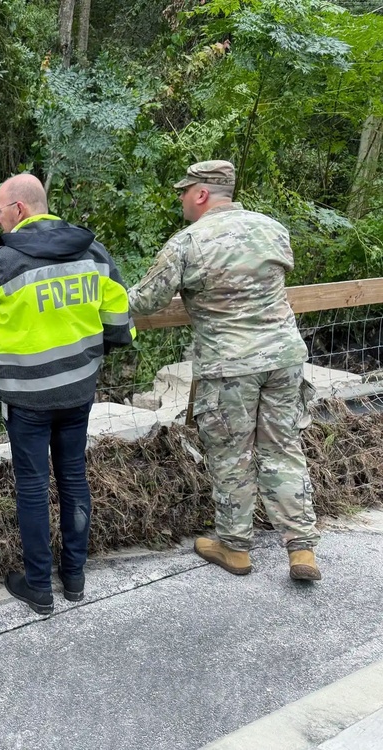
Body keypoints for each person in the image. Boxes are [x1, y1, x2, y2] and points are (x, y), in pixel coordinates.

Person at [0, 173, 136, 614]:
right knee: (74, 478)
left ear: (18, 209)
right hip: (78, 390)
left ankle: (39, 586)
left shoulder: (9, 261)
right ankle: (74, 578)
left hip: (28, 399)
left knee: (34, 488)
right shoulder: (93, 252)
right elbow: (119, 322)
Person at [127, 160, 322, 581]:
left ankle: (234, 548)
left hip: (230, 365)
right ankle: (302, 550)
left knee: (233, 455)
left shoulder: (187, 242)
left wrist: (96, 299)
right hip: (285, 357)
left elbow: (144, 301)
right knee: (283, 449)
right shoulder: (273, 229)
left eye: (184, 191)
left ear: (201, 194)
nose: (181, 199)